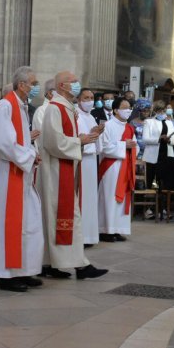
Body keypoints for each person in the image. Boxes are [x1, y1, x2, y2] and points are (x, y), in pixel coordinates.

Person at [36, 72, 108, 280]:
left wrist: (86, 137)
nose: (77, 85)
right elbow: (53, 142)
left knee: (60, 217)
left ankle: (53, 263)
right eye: (73, 82)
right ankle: (78, 265)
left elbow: (63, 139)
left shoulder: (67, 108)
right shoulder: (54, 109)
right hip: (56, 172)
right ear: (61, 86)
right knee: (64, 216)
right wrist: (80, 141)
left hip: (65, 168)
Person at [0, 66, 45, 292]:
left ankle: (24, 270)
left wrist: (31, 151)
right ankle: (7, 276)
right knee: (10, 224)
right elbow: (1, 142)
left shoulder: (21, 105)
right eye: (33, 82)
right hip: (7, 177)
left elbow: (18, 138)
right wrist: (28, 155)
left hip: (20, 173)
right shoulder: (6, 105)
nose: (35, 86)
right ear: (22, 85)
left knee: (29, 223)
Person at [98, 97, 135, 242]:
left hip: (125, 165)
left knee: (122, 199)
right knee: (109, 197)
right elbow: (104, 147)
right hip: (111, 167)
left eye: (129, 108)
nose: (128, 110)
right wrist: (123, 146)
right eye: (125, 108)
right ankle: (105, 230)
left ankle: (118, 229)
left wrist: (130, 146)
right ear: (115, 110)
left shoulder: (129, 127)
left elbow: (133, 145)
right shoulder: (107, 125)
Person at [76, 89, 103, 247]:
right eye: (86, 98)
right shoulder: (76, 115)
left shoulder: (91, 116)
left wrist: (97, 133)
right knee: (82, 198)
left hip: (91, 159)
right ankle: (81, 236)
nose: (90, 101)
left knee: (90, 198)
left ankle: (90, 235)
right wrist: (91, 134)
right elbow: (78, 137)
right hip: (82, 159)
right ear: (79, 99)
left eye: (92, 98)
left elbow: (96, 140)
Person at [141, 101, 174, 218]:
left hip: (167, 155)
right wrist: (159, 138)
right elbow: (145, 139)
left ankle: (163, 209)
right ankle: (149, 209)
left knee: (164, 183)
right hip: (153, 156)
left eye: (164, 111)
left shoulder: (169, 123)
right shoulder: (149, 122)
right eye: (160, 111)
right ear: (155, 111)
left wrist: (170, 140)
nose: (162, 113)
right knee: (151, 182)